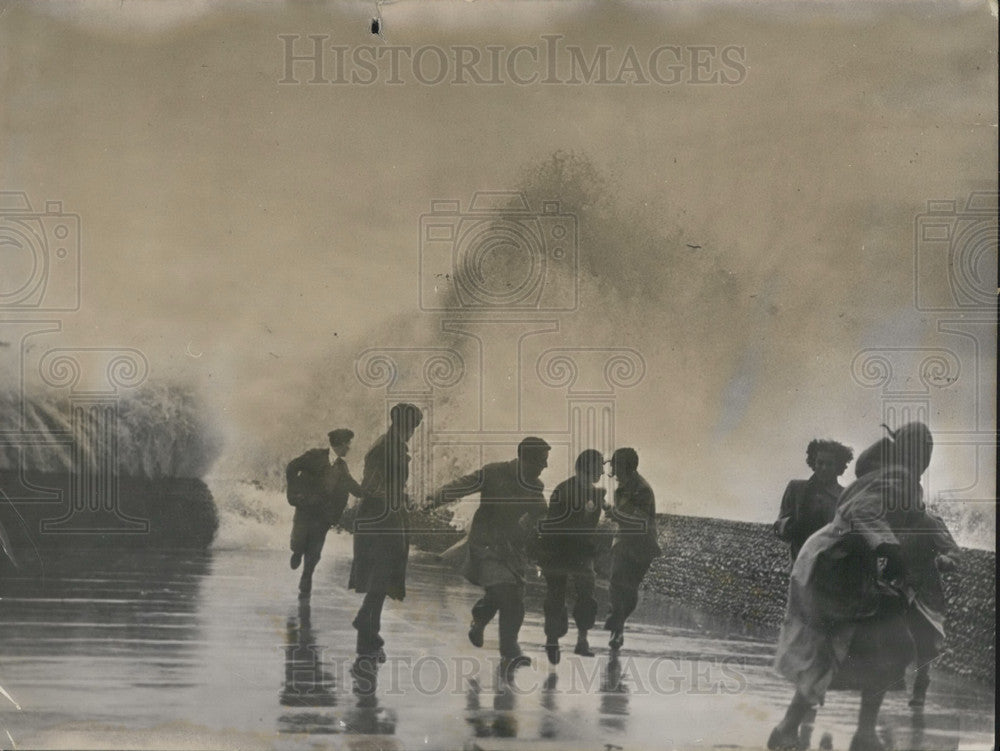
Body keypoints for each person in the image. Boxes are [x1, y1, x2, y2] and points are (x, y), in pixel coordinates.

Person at [769, 422, 938, 751]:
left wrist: (902, 557)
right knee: (841, 647)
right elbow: (861, 512)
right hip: (834, 565)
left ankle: (855, 732)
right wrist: (888, 548)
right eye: (922, 450)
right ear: (909, 451)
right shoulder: (894, 478)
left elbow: (905, 525)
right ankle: (798, 728)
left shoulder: (903, 480)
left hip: (847, 567)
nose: (926, 458)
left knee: (883, 647)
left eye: (929, 452)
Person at [427, 437, 551, 670]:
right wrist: (435, 498)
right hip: (485, 544)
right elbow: (463, 484)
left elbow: (541, 515)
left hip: (510, 549)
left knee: (510, 592)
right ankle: (510, 649)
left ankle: (481, 614)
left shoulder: (535, 486)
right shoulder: (494, 472)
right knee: (508, 592)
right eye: (542, 461)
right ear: (526, 459)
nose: (545, 467)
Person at [348, 403, 423, 665]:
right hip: (378, 521)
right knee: (379, 579)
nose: (413, 431)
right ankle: (367, 636)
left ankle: (369, 631)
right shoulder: (385, 448)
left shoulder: (393, 445)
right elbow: (370, 486)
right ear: (406, 425)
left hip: (386, 518)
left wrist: (402, 498)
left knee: (381, 579)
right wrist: (394, 501)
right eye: (413, 426)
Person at [537, 449, 605, 664]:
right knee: (556, 597)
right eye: (599, 466)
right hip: (557, 551)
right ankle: (552, 640)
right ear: (588, 467)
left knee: (587, 596)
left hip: (582, 553)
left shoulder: (597, 495)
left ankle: (582, 640)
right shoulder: (563, 490)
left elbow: (590, 526)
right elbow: (553, 525)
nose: (603, 471)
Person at [286, 428, 365, 598]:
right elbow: (292, 467)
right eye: (348, 444)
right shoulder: (315, 456)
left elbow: (353, 487)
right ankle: (297, 552)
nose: (349, 448)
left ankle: (306, 577)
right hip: (305, 508)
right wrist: (294, 493)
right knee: (298, 540)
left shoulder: (342, 467)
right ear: (342, 444)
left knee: (315, 549)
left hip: (323, 515)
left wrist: (370, 492)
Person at [899, 510, 960, 708]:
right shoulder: (892, 519)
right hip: (898, 588)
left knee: (924, 642)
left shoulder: (931, 522)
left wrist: (945, 561)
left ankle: (920, 687)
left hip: (925, 593)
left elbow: (953, 552)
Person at [603, 447, 661, 651]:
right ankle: (616, 629)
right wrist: (613, 512)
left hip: (642, 546)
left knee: (629, 590)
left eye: (616, 465)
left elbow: (641, 524)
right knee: (616, 583)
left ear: (628, 466)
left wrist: (615, 515)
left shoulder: (642, 489)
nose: (614, 470)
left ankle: (618, 624)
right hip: (623, 543)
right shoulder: (621, 488)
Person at [773, 439, 854, 562]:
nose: (824, 468)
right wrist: (793, 526)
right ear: (813, 463)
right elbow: (780, 528)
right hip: (802, 567)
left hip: (833, 568)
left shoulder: (847, 496)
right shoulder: (796, 489)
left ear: (838, 466)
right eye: (820, 463)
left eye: (829, 464)